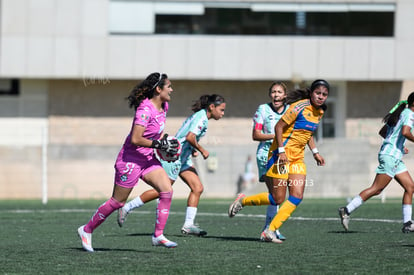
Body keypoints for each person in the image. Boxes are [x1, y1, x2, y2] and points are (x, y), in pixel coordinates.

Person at [77, 72, 180, 252]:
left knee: (166, 190)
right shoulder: (144, 110)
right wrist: (159, 144)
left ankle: (158, 236)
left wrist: (165, 142)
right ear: (158, 89)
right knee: (117, 202)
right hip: (130, 160)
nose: (172, 89)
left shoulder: (165, 106)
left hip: (148, 159)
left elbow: (155, 134)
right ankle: (86, 230)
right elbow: (135, 139)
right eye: (168, 86)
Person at [229, 79, 329, 243]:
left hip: (297, 158)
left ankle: (270, 230)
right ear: (311, 93)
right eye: (318, 93)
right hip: (280, 154)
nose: (321, 97)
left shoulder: (320, 112)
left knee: (297, 196)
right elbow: (278, 127)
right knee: (277, 198)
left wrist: (315, 152)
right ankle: (243, 201)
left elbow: (307, 133)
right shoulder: (299, 107)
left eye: (324, 95)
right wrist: (281, 151)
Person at [117, 94, 226, 236]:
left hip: (184, 158)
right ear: (212, 107)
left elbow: (187, 137)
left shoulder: (201, 116)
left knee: (197, 188)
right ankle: (127, 207)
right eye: (221, 110)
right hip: (174, 157)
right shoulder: (201, 118)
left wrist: (192, 150)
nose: (223, 113)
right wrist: (202, 149)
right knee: (162, 190)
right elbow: (190, 137)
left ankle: (188, 225)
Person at [339, 92, 414, 233]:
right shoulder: (409, 114)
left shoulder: (401, 113)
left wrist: (399, 145)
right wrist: (399, 144)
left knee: (410, 187)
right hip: (390, 157)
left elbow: (383, 132)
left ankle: (408, 223)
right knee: (376, 189)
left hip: (393, 156)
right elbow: (405, 132)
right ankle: (346, 210)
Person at [250, 81, 289, 241]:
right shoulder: (263, 109)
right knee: (275, 194)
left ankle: (272, 228)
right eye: (273, 92)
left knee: (279, 195)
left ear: (285, 95)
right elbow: (255, 134)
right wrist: (277, 136)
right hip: (266, 155)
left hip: (283, 157)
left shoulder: (290, 111)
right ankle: (268, 229)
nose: (276, 95)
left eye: (279, 92)